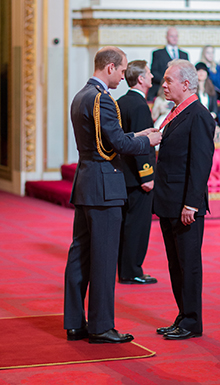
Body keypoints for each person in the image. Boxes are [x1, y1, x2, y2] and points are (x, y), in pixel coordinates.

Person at [64, 46, 162, 344]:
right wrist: (149, 141)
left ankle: (75, 323)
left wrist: (138, 136)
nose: (123, 76)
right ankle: (101, 327)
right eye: (121, 71)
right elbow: (116, 144)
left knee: (80, 255)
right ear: (109, 68)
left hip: (86, 183)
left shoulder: (82, 95)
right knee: (104, 260)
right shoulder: (102, 100)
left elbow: (104, 142)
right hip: (105, 188)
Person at [153, 59, 215, 340]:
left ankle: (192, 321)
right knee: (175, 265)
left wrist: (192, 203)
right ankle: (182, 316)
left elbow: (200, 165)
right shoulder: (178, 112)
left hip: (185, 206)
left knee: (188, 265)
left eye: (168, 80)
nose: (163, 85)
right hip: (169, 202)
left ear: (186, 84)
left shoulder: (199, 115)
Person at [117, 60, 157, 284]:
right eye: (149, 74)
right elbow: (142, 145)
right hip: (138, 177)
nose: (152, 77)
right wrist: (148, 176)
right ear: (141, 79)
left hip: (124, 174)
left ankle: (125, 269)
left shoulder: (122, 101)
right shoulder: (140, 105)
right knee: (137, 226)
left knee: (126, 224)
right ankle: (132, 271)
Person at [147, 27, 189, 101]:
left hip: (180, 91)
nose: (174, 38)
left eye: (176, 36)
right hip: (160, 90)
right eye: (172, 36)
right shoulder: (157, 53)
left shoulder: (184, 55)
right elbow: (154, 72)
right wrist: (168, 82)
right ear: (166, 37)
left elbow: (187, 73)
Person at [195, 62, 220, 143]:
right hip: (197, 120)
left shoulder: (212, 89)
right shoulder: (191, 90)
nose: (201, 73)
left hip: (210, 119)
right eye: (199, 71)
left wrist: (211, 115)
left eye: (203, 71)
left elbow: (214, 109)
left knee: (218, 132)